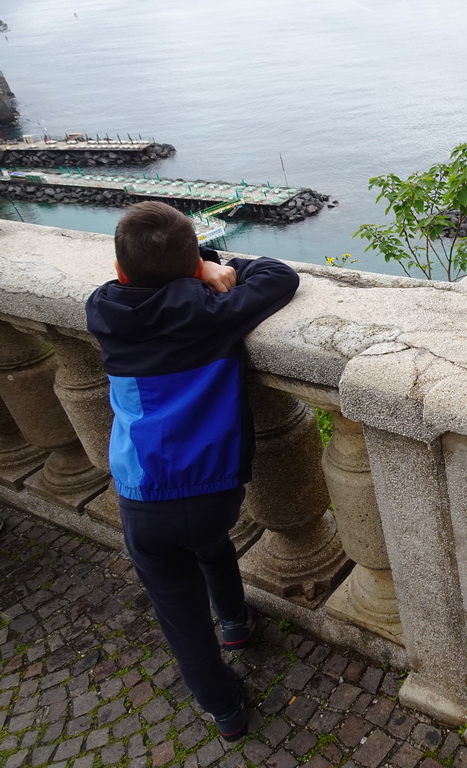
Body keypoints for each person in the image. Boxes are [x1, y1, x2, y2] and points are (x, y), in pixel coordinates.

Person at [86, 200, 300, 741]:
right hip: (211, 492)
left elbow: (141, 290)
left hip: (140, 497)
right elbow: (279, 275)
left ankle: (223, 707)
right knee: (212, 543)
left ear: (119, 272)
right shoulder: (211, 314)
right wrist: (211, 266)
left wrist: (188, 270)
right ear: (194, 271)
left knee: (178, 613)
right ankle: (234, 622)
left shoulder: (103, 310)